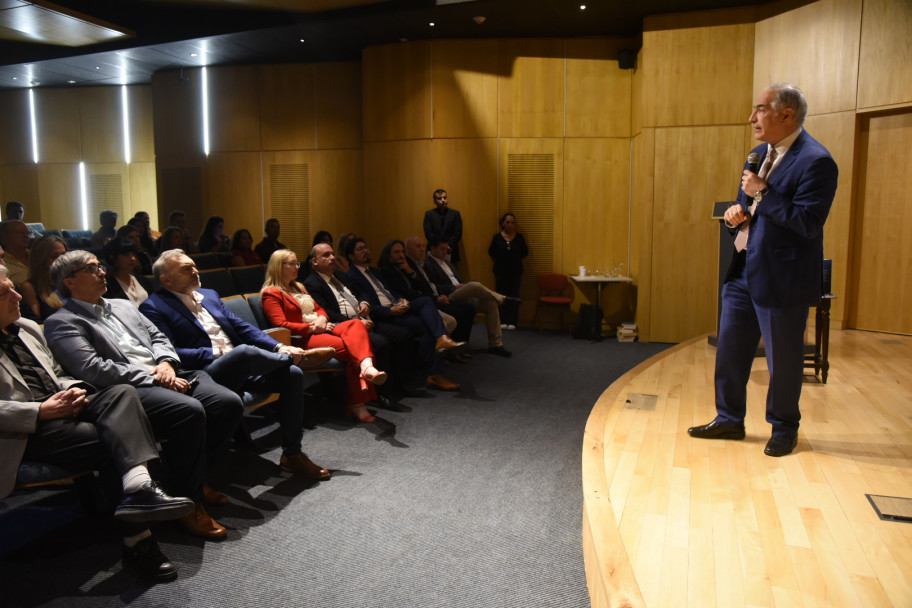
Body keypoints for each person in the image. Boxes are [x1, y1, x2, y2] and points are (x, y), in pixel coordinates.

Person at [44, 250, 245, 540]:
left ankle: (189, 479)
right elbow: (93, 370)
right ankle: (190, 501)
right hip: (129, 391)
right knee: (188, 410)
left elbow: (159, 338)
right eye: (91, 268)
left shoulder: (122, 305)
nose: (102, 271)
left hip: (168, 373)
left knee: (228, 404)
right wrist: (154, 375)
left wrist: (165, 364)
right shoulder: (62, 321)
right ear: (69, 281)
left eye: (100, 265)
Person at [688, 83, 838, 458]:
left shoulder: (817, 161)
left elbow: (807, 223)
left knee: (783, 361)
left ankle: (784, 428)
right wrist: (733, 216)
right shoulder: (758, 154)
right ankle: (729, 418)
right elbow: (747, 210)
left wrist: (762, 193)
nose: (751, 118)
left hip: (782, 278)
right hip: (743, 270)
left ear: (786, 114)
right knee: (731, 352)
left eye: (760, 110)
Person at [139, 250, 333, 478]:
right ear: (166, 280)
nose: (195, 271)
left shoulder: (208, 295)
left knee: (292, 375)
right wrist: (219, 351)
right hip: (205, 374)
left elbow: (242, 327)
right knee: (242, 352)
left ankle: (293, 454)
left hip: (241, 366)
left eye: (194, 266)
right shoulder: (153, 307)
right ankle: (298, 357)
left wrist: (278, 346)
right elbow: (170, 351)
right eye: (186, 269)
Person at [261, 249, 388, 423]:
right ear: (279, 266)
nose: (298, 267)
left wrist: (321, 318)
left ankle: (366, 368)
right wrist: (311, 328)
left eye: (298, 263)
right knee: (351, 347)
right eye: (293, 263)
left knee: (356, 324)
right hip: (302, 339)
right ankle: (358, 403)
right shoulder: (271, 293)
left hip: (322, 327)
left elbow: (319, 308)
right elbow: (281, 325)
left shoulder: (299, 286)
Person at [344, 237, 464, 391]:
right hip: (383, 315)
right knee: (425, 327)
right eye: (360, 249)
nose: (365, 251)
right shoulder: (351, 276)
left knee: (426, 300)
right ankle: (437, 372)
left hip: (395, 306)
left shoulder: (373, 271)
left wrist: (399, 299)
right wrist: (390, 310)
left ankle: (442, 340)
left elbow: (388, 291)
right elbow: (364, 304)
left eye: (366, 247)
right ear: (351, 256)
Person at [424, 235, 517, 357]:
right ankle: (503, 299)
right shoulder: (427, 263)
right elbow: (432, 286)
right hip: (447, 296)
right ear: (433, 248)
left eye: (446, 249)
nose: (445, 252)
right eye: (442, 249)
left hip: (461, 293)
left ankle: (496, 344)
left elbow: (458, 280)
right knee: (474, 285)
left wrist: (462, 285)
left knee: (490, 304)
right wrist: (455, 288)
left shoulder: (447, 262)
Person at [379, 239, 475, 346]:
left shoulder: (405, 266)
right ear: (388, 254)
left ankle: (451, 348)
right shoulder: (386, 271)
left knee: (462, 311)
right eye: (396, 252)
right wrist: (434, 298)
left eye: (402, 252)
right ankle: (445, 349)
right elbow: (405, 292)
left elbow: (424, 287)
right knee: (450, 319)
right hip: (410, 303)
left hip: (424, 300)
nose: (401, 255)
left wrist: (410, 272)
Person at [488, 213, 528, 330]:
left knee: (514, 296)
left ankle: (512, 321)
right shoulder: (497, 237)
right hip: (501, 271)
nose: (510, 225)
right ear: (503, 223)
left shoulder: (519, 237)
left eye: (512, 222)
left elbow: (525, 252)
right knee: (501, 296)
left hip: (515, 271)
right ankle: (502, 320)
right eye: (508, 222)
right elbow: (492, 252)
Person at [21, 234, 68, 321]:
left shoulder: (71, 281)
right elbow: (36, 323)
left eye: (63, 255)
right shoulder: (30, 287)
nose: (61, 260)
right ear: (41, 259)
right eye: (53, 256)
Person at [102, 237, 154, 307]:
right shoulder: (107, 286)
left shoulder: (144, 281)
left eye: (133, 254)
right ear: (113, 257)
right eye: (127, 255)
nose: (133, 258)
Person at [423, 189, 463, 270]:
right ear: (434, 201)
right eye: (439, 198)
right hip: (434, 250)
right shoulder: (429, 215)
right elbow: (428, 232)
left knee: (453, 276)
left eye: (445, 197)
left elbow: (458, 232)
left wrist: (449, 245)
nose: (443, 200)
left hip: (450, 250)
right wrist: (439, 246)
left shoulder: (455, 214)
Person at [0, 220, 32, 286]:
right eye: (20, 233)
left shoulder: (37, 255)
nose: (26, 236)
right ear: (4, 236)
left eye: (28, 233)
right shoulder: (2, 262)